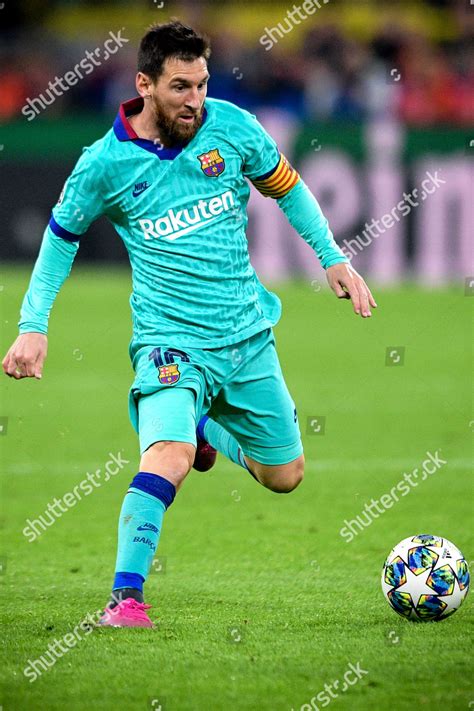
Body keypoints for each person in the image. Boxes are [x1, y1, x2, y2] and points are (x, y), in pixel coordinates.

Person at [2, 20, 377, 628]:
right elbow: (60, 238)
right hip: (168, 342)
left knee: (284, 477)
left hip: (247, 334)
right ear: (144, 84)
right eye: (180, 87)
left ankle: (208, 430)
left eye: (202, 84)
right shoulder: (104, 163)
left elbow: (288, 187)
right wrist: (33, 324)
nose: (195, 101)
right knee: (169, 455)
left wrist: (332, 257)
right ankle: (125, 601)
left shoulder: (231, 128)